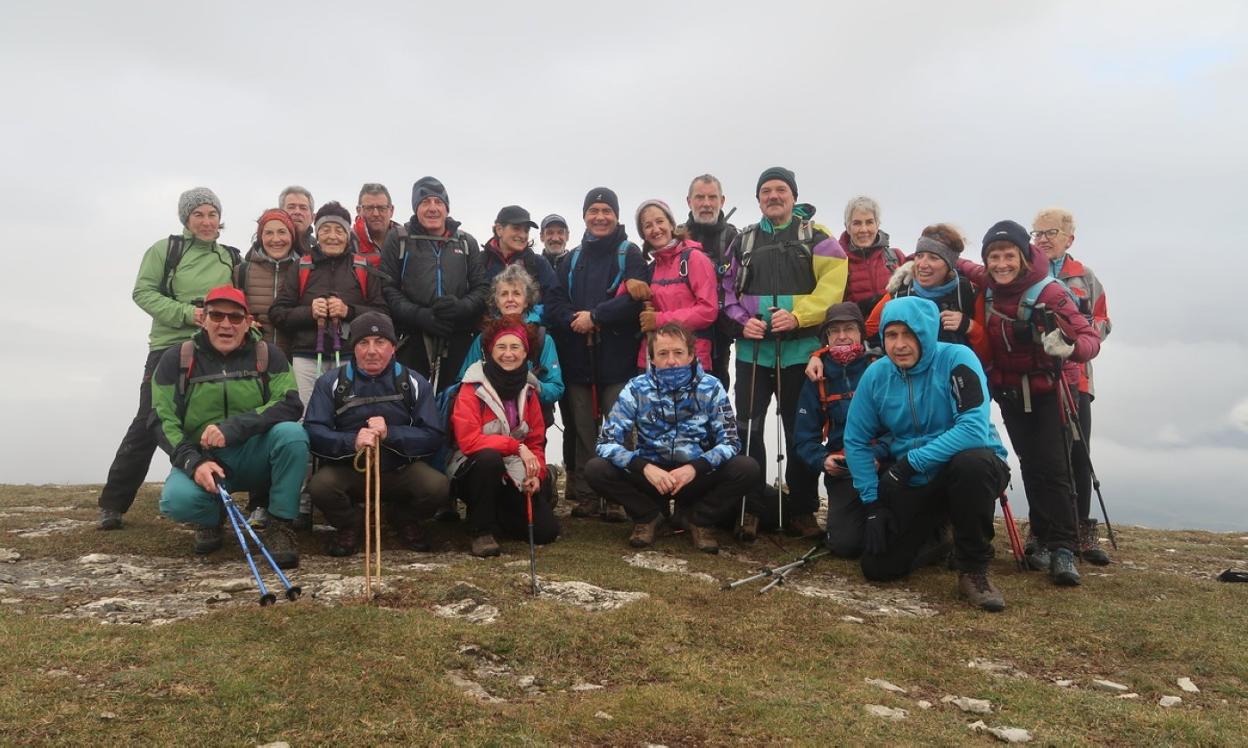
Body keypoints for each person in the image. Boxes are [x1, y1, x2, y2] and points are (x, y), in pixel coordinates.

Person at [843, 296, 1012, 611]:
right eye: (891, 335)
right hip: (917, 480)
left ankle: (973, 569)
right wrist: (872, 503)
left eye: (910, 334)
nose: (899, 345)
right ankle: (939, 536)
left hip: (969, 467)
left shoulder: (957, 359)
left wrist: (909, 464)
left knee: (971, 464)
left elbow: (973, 430)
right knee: (878, 568)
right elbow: (855, 439)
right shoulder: (877, 374)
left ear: (926, 332)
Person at [960, 220, 1101, 586]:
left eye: (1009, 255)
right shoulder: (989, 283)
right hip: (1010, 391)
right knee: (1031, 464)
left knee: (1055, 467)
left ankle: (1064, 547)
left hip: (1052, 390)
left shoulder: (1050, 292)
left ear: (1023, 256)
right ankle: (1040, 536)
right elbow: (964, 266)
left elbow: (1089, 338)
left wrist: (1070, 347)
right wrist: (930, 250)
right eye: (994, 256)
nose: (1001, 263)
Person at [97, 187, 240, 530]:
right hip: (169, 346)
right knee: (149, 420)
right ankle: (113, 504)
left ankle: (209, 501)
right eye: (198, 215)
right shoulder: (166, 250)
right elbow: (142, 292)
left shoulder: (231, 257)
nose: (206, 222)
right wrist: (187, 314)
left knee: (212, 420)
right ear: (185, 219)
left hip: (212, 348)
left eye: (212, 214)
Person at [721, 166, 848, 539]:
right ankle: (752, 507)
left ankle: (802, 510)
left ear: (794, 197)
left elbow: (833, 287)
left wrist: (797, 316)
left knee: (800, 430)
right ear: (758, 199)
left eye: (781, 190)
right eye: (766, 191)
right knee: (748, 429)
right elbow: (725, 290)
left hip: (801, 353)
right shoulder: (743, 240)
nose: (773, 196)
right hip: (752, 353)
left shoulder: (818, 237)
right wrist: (742, 322)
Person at [151, 286, 307, 567]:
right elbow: (161, 420)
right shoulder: (177, 359)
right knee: (176, 501)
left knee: (293, 436)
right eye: (216, 316)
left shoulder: (268, 354)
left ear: (248, 322)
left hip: (255, 452)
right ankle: (211, 518)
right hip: (205, 458)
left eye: (235, 317)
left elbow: (290, 403)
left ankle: (280, 525)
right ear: (203, 319)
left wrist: (233, 428)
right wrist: (193, 462)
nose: (226, 324)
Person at [585, 323, 758, 553]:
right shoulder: (636, 388)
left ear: (691, 355)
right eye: (663, 354)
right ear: (652, 359)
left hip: (694, 475)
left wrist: (695, 467)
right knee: (596, 469)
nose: (671, 361)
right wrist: (644, 467)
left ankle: (699, 519)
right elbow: (606, 442)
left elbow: (731, 441)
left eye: (678, 353)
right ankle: (648, 516)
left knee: (747, 468)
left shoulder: (712, 387)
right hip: (652, 476)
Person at [304, 312, 449, 555]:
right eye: (363, 342)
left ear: (393, 347)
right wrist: (352, 441)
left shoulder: (414, 382)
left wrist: (390, 433)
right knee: (320, 487)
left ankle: (403, 518)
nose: (372, 351)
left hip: (399, 471)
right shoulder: (330, 382)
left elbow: (433, 435)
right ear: (354, 348)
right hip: (350, 471)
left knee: (437, 487)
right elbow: (314, 431)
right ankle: (352, 523)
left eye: (380, 342)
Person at [545, 187, 647, 520]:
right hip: (578, 359)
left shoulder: (630, 254)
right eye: (594, 211)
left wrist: (596, 317)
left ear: (616, 216)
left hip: (618, 360)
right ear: (585, 216)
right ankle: (587, 496)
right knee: (583, 429)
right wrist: (574, 320)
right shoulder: (573, 258)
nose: (600, 217)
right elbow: (554, 301)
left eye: (606, 211)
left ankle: (617, 497)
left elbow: (636, 299)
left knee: (619, 428)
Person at [1032, 207, 1112, 565]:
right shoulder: (1027, 273)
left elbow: (1103, 321)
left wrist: (1075, 336)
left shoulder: (1085, 276)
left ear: (1069, 238)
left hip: (1077, 377)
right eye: (1037, 233)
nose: (1042, 239)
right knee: (1042, 455)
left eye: (1050, 233)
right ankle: (1042, 529)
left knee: (1079, 453)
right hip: (1036, 377)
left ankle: (1081, 529)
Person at [446, 316, 559, 557]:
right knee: (489, 458)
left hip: (513, 470)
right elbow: (469, 441)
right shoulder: (471, 387)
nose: (508, 354)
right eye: (501, 347)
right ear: (490, 351)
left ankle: (502, 508)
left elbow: (536, 441)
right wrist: (516, 447)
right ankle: (481, 530)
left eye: (515, 347)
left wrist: (537, 474)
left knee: (546, 532)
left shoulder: (530, 390)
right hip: (473, 469)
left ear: (525, 353)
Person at [269, 201, 388, 407]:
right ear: (317, 233)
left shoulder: (362, 267)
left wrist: (348, 311)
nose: (332, 236)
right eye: (325, 230)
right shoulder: (301, 266)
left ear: (348, 234)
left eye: (339, 230)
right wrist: (310, 313)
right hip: (306, 357)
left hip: (352, 355)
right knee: (305, 415)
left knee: (350, 415)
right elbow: (277, 313)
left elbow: (382, 313)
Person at [380, 176, 488, 392]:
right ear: (416, 208)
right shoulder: (399, 239)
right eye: (425, 202)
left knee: (454, 402)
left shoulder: (466, 242)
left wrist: (461, 307)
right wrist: (419, 315)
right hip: (411, 339)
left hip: (457, 337)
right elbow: (387, 288)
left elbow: (482, 288)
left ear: (447, 208)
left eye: (438, 202)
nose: (432, 208)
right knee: (411, 400)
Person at [793, 303, 880, 551]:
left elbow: (902, 426)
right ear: (827, 337)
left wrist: (880, 453)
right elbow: (804, 437)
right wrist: (824, 460)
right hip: (845, 471)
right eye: (834, 331)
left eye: (849, 328)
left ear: (861, 332)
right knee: (843, 546)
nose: (842, 336)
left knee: (890, 533)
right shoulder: (817, 377)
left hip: (884, 463)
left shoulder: (880, 367)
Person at [458, 264, 564, 430]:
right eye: (504, 294)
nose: (510, 299)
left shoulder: (542, 338)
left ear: (526, 300)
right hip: (488, 426)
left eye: (516, 293)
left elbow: (556, 388)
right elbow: (463, 381)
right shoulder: (483, 338)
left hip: (531, 425)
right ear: (496, 301)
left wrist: (536, 386)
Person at [622, 199, 717, 372]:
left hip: (690, 359)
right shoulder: (651, 268)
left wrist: (658, 320)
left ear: (671, 224)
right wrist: (628, 281)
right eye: (648, 226)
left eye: (660, 221)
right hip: (652, 360)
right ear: (643, 234)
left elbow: (708, 311)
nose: (655, 229)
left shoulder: (695, 259)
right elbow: (622, 299)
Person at [863, 223, 988, 355]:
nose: (922, 264)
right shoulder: (901, 292)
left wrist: (969, 326)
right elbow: (868, 332)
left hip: (953, 367)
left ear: (949, 264)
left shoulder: (967, 293)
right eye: (919, 255)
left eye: (933, 258)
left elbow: (985, 356)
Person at [681, 174, 739, 389]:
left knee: (715, 394)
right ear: (689, 201)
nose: (706, 203)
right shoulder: (675, 237)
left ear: (722, 201)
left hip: (720, 338)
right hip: (680, 335)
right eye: (700, 197)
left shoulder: (734, 239)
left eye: (712, 197)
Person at [237, 208, 299, 353]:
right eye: (269, 233)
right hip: (251, 356)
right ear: (260, 237)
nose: (276, 239)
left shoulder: (305, 270)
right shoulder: (241, 272)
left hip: (296, 358)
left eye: (282, 232)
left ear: (292, 236)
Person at [480, 205, 558, 316]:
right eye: (516, 228)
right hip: (486, 326)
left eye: (526, 230)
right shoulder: (480, 261)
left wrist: (533, 317)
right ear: (499, 229)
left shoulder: (539, 263)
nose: (522, 235)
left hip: (531, 326)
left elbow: (555, 301)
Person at [839, 196, 907, 316]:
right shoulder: (838, 262)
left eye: (869, 222)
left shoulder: (895, 257)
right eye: (857, 223)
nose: (863, 229)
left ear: (877, 224)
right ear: (847, 227)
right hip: (858, 326)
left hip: (895, 325)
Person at [353, 183, 399, 267]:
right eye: (369, 208)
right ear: (358, 211)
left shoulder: (406, 243)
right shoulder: (346, 244)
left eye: (382, 208)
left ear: (391, 211)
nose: (376, 214)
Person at [279, 185, 316, 254]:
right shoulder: (265, 247)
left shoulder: (319, 250)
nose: (297, 212)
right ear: (280, 214)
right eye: (291, 207)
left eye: (303, 208)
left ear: (312, 218)